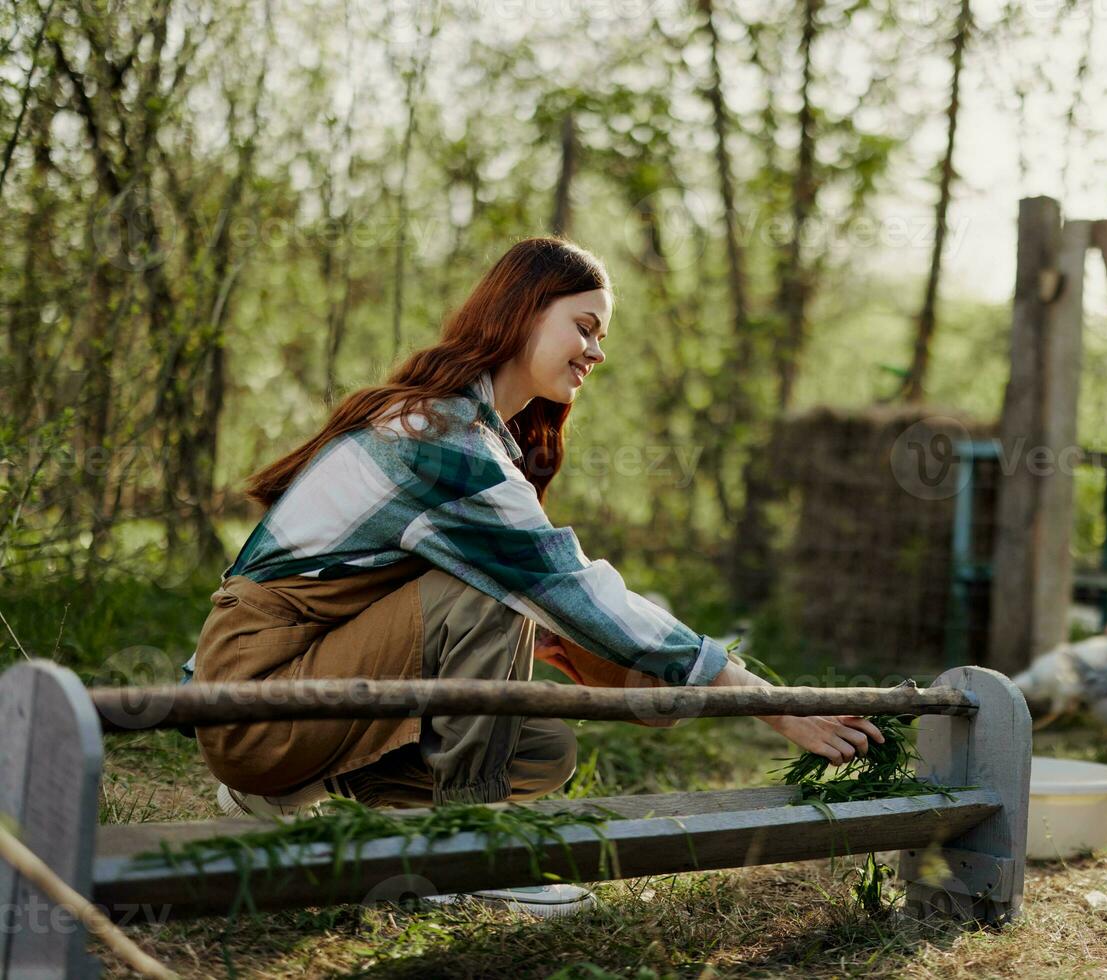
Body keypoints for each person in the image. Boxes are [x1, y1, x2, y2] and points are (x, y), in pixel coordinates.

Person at [184, 236, 882, 911]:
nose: (596, 352)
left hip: (279, 699)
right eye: (584, 327)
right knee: (492, 592)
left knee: (539, 750)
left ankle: (291, 796)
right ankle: (468, 852)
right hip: (257, 699)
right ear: (522, 311)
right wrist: (769, 700)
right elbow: (565, 584)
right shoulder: (440, 439)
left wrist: (601, 657)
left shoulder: (472, 432)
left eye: (601, 335)